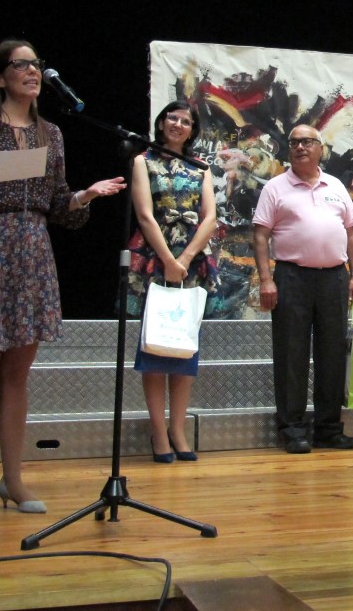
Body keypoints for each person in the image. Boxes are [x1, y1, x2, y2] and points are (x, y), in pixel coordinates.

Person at [0, 39, 126, 520]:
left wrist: (84, 196)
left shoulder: (51, 133)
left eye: (36, 64)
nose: (33, 71)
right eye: (20, 64)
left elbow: (59, 205)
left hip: (33, 251)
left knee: (18, 373)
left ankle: (13, 478)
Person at [252, 125, 353, 454]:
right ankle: (293, 429)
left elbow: (351, 233)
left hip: (334, 278)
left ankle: (328, 429)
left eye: (307, 142)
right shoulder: (275, 187)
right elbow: (260, 236)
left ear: (320, 148)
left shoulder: (336, 186)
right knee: (292, 354)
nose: (300, 147)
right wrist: (266, 279)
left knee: (332, 355)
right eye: (294, 142)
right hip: (292, 278)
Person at [126, 101, 221, 463]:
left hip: (191, 261)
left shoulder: (201, 166)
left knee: (184, 346)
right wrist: (168, 260)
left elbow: (210, 218)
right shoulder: (143, 161)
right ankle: (157, 430)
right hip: (155, 258)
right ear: (162, 122)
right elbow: (145, 215)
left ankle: (178, 429)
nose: (178, 124)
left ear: (192, 130)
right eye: (173, 118)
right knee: (155, 346)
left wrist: (184, 259)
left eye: (185, 121)